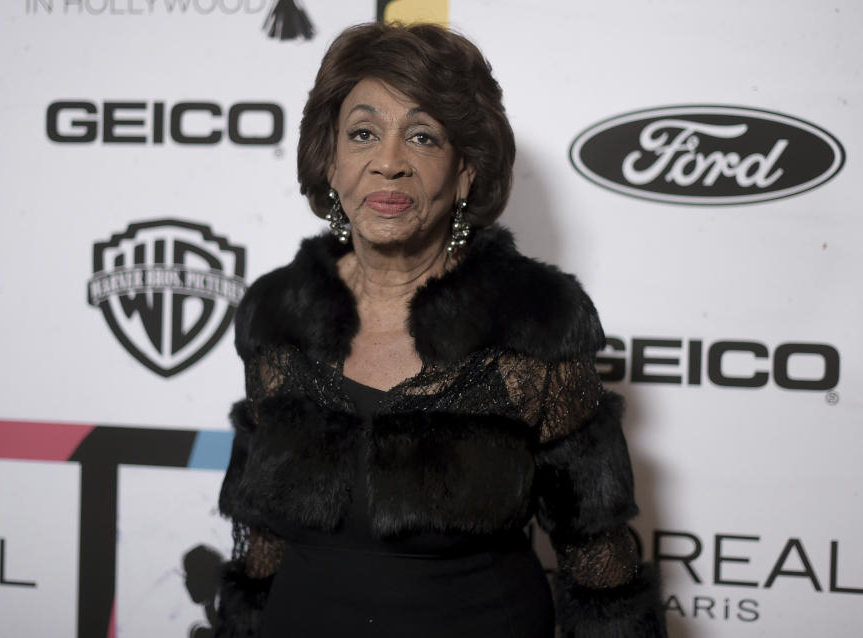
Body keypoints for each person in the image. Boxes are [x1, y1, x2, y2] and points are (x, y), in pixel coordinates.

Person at [216, 22, 666, 638]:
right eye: (363, 133)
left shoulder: (536, 322)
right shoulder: (276, 312)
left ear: (465, 173)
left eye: (423, 137)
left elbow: (598, 565)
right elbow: (258, 540)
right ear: (330, 160)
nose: (389, 163)